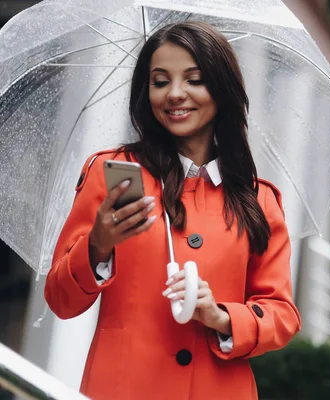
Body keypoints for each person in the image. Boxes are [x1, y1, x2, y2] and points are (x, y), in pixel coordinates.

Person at [44, 21, 301, 400]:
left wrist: (222, 317)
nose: (175, 94)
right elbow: (60, 300)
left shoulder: (256, 199)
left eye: (194, 80)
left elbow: (281, 314)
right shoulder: (114, 175)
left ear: (222, 88)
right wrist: (97, 246)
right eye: (160, 81)